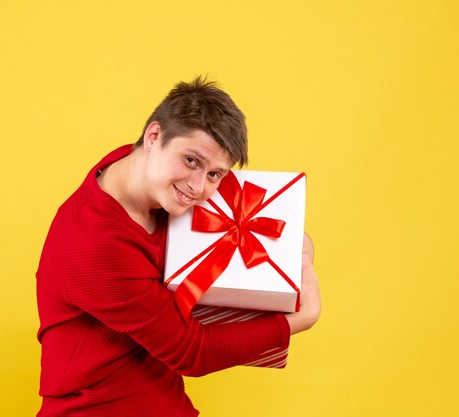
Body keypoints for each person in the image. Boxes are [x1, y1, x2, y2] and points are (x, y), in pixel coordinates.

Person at [35, 76, 321, 417]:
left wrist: (289, 248)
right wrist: (299, 319)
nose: (199, 187)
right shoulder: (95, 243)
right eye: (191, 161)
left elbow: (260, 233)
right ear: (153, 136)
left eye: (215, 174)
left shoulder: (149, 179)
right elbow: (191, 352)